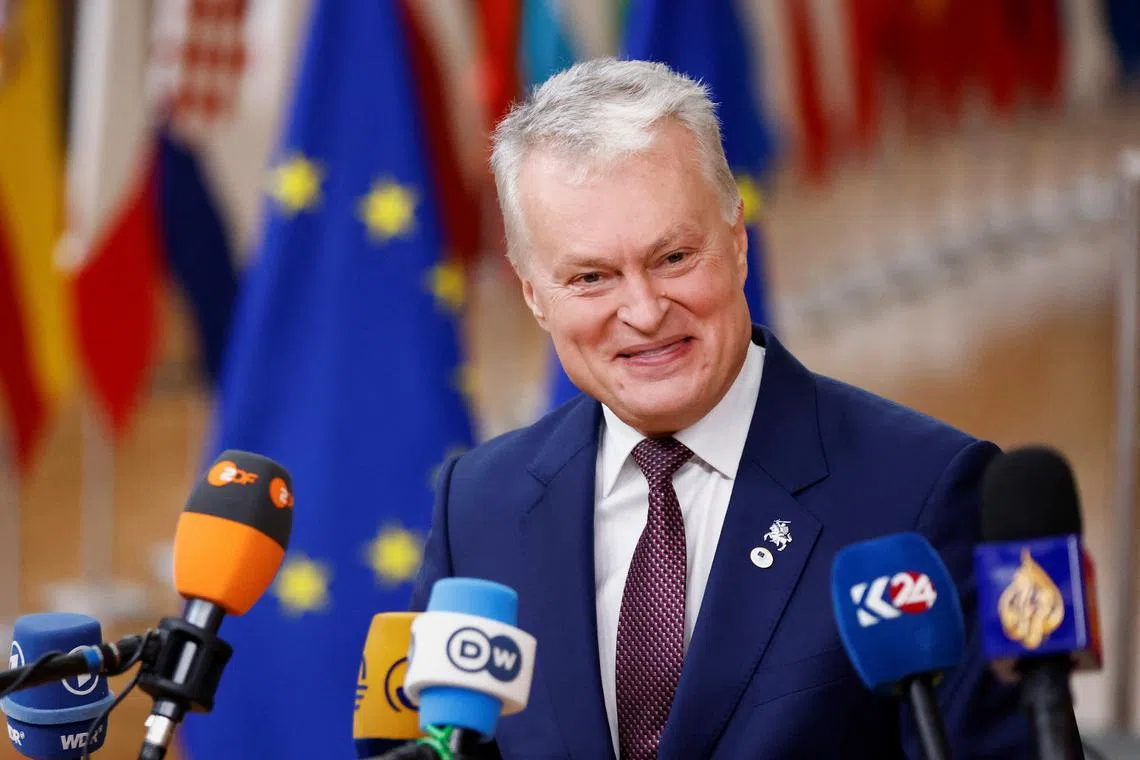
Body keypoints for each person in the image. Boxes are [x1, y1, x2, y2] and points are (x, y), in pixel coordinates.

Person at [410, 58, 1033, 759]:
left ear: (737, 242)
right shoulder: (477, 506)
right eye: (591, 277)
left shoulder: (926, 493)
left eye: (674, 257)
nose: (644, 312)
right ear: (533, 294)